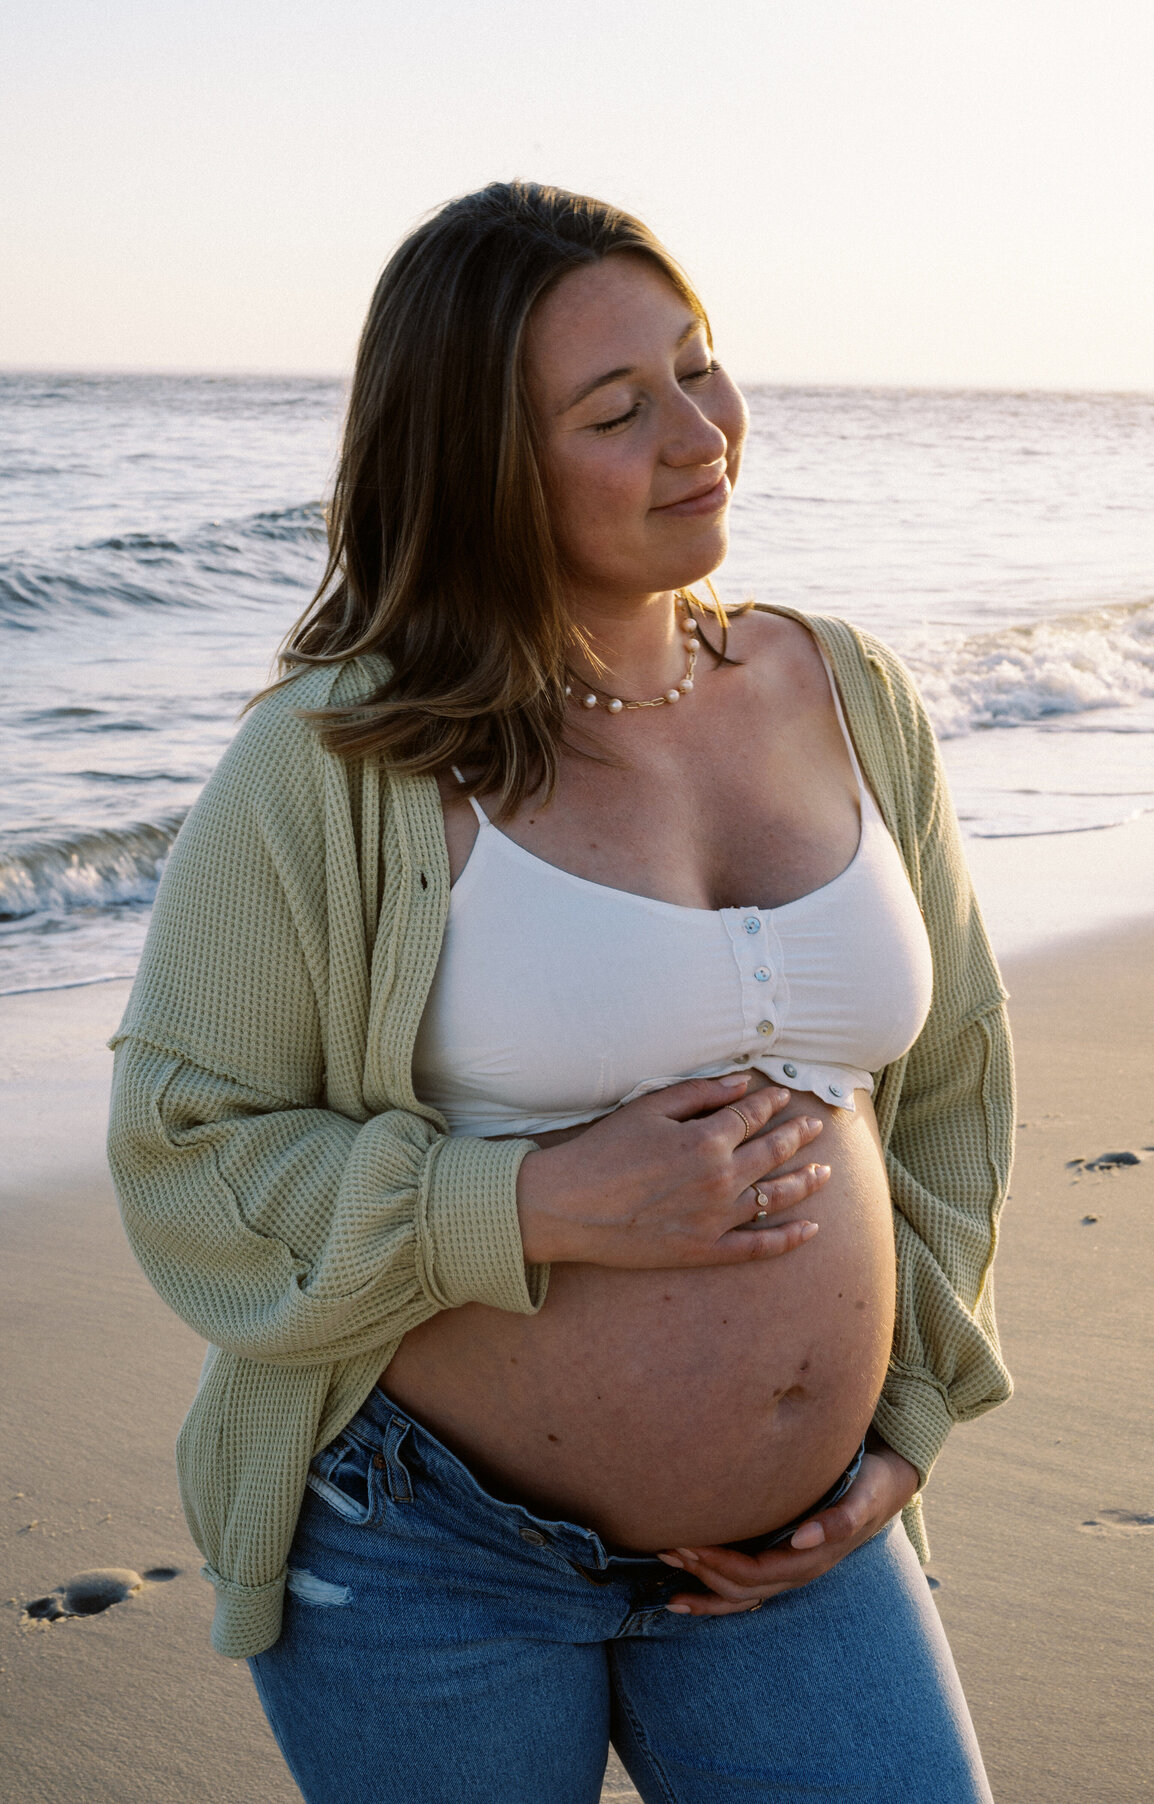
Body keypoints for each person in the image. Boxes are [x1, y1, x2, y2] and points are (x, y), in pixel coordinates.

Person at [106, 181, 1014, 1803]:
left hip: (786, 1559)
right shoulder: (335, 761)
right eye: (617, 409)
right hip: (427, 1552)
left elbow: (952, 1080)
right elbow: (188, 1151)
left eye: (698, 362)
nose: (699, 430)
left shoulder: (844, 688)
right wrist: (519, 1204)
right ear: (482, 473)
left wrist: (911, 1411)